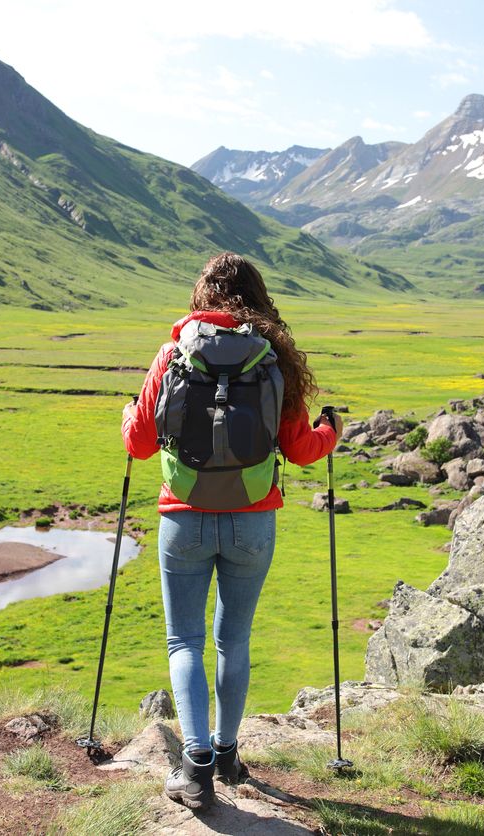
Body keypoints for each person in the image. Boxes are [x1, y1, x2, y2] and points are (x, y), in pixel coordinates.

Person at [121, 252, 341, 810]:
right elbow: (300, 448)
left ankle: (193, 767)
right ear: (258, 299)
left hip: (183, 518)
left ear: (202, 296)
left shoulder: (172, 354)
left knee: (184, 641)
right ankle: (227, 753)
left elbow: (141, 444)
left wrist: (129, 414)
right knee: (233, 639)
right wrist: (330, 431)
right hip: (253, 521)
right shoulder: (272, 360)